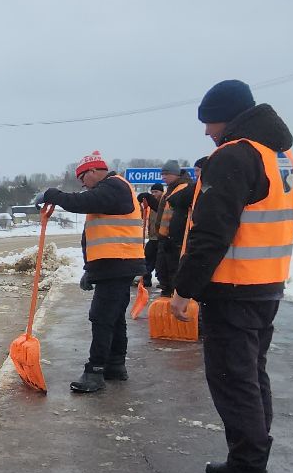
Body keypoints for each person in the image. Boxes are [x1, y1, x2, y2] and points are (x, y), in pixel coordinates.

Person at [167, 81, 293, 473]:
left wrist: (185, 289)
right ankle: (245, 463)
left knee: (234, 384)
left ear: (229, 117)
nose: (207, 131)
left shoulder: (234, 156)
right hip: (265, 285)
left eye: (210, 121)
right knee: (251, 378)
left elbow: (212, 231)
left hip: (234, 289)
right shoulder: (277, 155)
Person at [39, 152, 145, 392]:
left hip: (118, 262)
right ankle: (115, 366)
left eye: (82, 179)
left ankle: (94, 371)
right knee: (114, 317)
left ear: (94, 171)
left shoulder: (114, 187)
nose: (83, 185)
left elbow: (79, 202)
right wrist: (90, 269)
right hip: (114, 264)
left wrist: (52, 195)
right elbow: (96, 235)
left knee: (101, 317)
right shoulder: (108, 192)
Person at [153, 160, 195, 297]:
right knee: (162, 269)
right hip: (165, 238)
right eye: (162, 174)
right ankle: (167, 293)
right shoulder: (170, 189)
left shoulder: (184, 188)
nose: (163, 177)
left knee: (174, 271)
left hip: (175, 239)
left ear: (175, 174)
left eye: (166, 174)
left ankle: (173, 295)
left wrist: (174, 236)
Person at [140, 184, 166, 289]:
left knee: (161, 262)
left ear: (162, 192)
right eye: (152, 192)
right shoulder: (150, 206)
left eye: (156, 192)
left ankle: (163, 281)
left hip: (161, 238)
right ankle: (146, 280)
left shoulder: (164, 203)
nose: (154, 194)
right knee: (147, 260)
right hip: (152, 238)